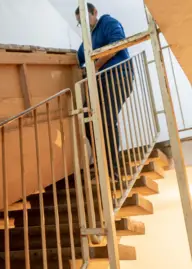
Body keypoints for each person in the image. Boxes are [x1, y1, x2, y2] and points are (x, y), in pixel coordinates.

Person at [75, 3, 132, 177]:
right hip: (101, 81)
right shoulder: (89, 36)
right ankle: (103, 161)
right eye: (80, 23)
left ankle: (112, 169)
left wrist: (96, 66)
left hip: (119, 76)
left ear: (95, 13)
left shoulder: (108, 22)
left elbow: (116, 45)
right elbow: (78, 57)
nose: (84, 24)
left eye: (85, 19)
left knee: (107, 118)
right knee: (86, 120)